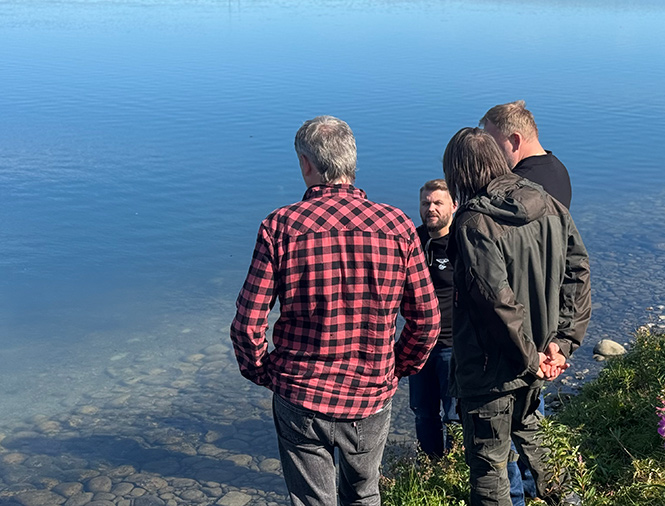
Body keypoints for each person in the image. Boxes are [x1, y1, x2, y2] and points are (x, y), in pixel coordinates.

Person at [229, 115, 441, 506]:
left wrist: (265, 372)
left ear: (306, 163)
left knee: (313, 501)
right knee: (364, 493)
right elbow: (426, 320)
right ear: (351, 161)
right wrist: (397, 366)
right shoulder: (397, 226)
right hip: (370, 394)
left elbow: (247, 325)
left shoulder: (280, 227)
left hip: (301, 393)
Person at [442, 127, 591, 506]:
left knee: (489, 469)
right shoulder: (548, 204)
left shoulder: (473, 223)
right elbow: (577, 271)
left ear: (458, 172)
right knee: (537, 441)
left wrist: (531, 356)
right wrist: (561, 343)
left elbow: (495, 301)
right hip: (536, 356)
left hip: (490, 370)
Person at [482, 100, 575, 505]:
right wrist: (563, 337)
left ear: (514, 140)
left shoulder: (522, 188)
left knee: (512, 427)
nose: (488, 154)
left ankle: (523, 495)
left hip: (521, 328)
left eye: (492, 143)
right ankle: (548, 491)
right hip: (543, 321)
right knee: (532, 421)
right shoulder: (557, 170)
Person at [410, 179, 459, 459]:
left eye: (438, 203)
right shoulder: (413, 241)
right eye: (426, 203)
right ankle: (430, 468)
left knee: (454, 415)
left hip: (452, 345)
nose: (431, 209)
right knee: (422, 412)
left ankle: (455, 469)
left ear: (454, 206)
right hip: (419, 344)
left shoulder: (462, 242)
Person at [480, 100, 572, 210]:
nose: (490, 151)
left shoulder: (516, 186)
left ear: (515, 140)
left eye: (493, 144)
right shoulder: (559, 169)